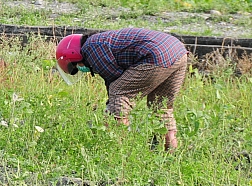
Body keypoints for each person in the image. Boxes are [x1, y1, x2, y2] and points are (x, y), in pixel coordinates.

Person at [56, 28, 188, 151]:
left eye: (76, 67)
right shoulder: (98, 41)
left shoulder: (90, 49)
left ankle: (119, 147)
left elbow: (115, 80)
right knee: (161, 105)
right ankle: (170, 151)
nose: (80, 69)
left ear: (74, 55)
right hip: (178, 52)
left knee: (119, 93)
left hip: (156, 55)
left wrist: (111, 110)